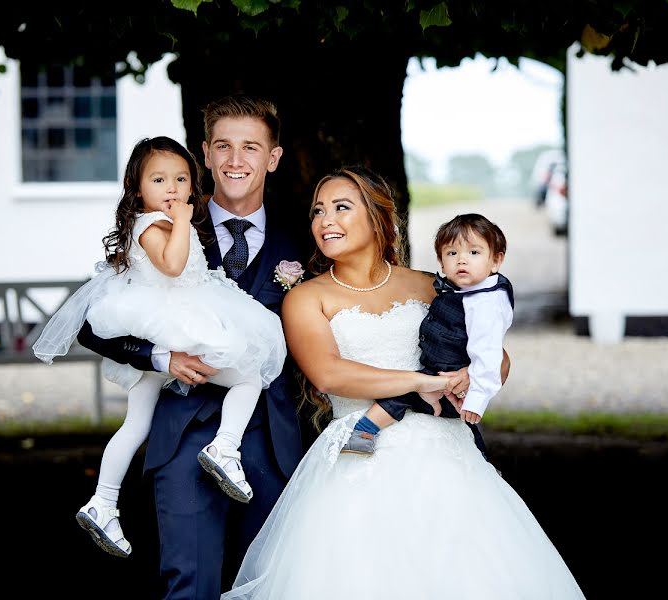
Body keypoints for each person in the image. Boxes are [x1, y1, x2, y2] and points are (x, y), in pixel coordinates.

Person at [222, 166, 586, 599]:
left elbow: (496, 358)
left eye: (341, 207)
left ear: (379, 217)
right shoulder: (306, 297)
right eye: (318, 211)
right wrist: (420, 381)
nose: (325, 220)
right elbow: (328, 373)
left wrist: (474, 375)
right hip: (361, 450)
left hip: (446, 451)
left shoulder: (432, 286)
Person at [74, 95, 307, 599]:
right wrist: (161, 358)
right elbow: (93, 325)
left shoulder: (303, 237)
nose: (235, 160)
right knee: (190, 585)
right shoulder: (166, 219)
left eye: (251, 147)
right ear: (205, 152)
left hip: (271, 438)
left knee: (271, 585)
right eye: (223, 146)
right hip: (180, 433)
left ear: (274, 157)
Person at [32, 135, 289, 558]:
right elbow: (172, 268)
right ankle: (224, 447)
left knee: (137, 424)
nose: (172, 188)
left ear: (193, 183)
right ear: (137, 189)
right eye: (159, 179)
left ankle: (104, 502)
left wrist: (183, 224)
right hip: (167, 325)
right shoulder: (151, 224)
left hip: (171, 322)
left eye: (181, 178)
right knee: (248, 374)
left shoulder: (166, 223)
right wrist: (184, 222)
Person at [341, 213, 514, 457]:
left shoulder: (487, 302)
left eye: (474, 253)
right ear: (442, 263)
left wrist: (476, 397)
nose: (462, 260)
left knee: (403, 394)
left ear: (495, 261)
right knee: (414, 394)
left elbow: (488, 353)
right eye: (452, 254)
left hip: (450, 374)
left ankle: (364, 431)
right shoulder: (461, 291)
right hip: (439, 371)